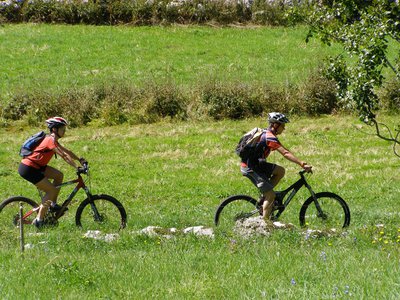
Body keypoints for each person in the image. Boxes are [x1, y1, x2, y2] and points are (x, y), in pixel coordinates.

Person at [240, 112, 312, 220]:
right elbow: (285, 153)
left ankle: (265, 196)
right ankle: (266, 224)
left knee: (280, 171)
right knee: (271, 195)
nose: (284, 128)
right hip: (251, 167)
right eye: (283, 126)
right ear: (275, 125)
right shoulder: (269, 137)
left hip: (257, 164)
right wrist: (301, 163)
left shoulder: (267, 133)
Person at [18, 117, 87, 228]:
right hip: (29, 168)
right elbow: (64, 156)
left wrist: (80, 159)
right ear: (54, 129)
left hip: (37, 166)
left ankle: (52, 205)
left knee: (59, 175)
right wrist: (77, 167)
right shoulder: (50, 140)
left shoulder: (52, 140)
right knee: (51, 190)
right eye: (62, 128)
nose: (64, 130)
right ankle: (39, 220)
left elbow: (67, 151)